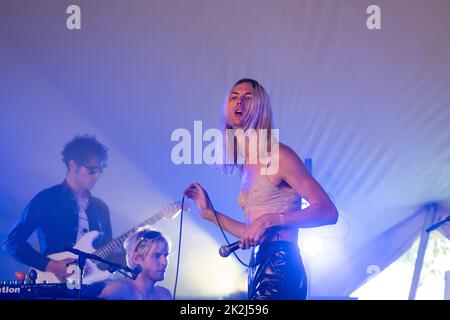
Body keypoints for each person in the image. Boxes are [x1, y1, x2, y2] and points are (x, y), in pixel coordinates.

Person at [183, 78, 338, 300]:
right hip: (258, 264)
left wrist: (272, 219)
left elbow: (328, 212)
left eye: (248, 98)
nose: (240, 102)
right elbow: (251, 232)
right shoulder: (245, 164)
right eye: (234, 97)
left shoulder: (279, 155)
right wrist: (210, 214)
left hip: (280, 264)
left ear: (261, 108)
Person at [2, 134, 112, 290]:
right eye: (92, 170)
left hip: (92, 288)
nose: (98, 175)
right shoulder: (47, 199)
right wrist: (50, 265)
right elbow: (12, 243)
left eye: (101, 170)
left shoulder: (101, 208)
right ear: (73, 166)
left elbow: (110, 252)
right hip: (54, 285)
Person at [99, 227, 172, 300]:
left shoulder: (164, 295)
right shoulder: (119, 290)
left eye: (166, 256)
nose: (164, 262)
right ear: (136, 258)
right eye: (157, 256)